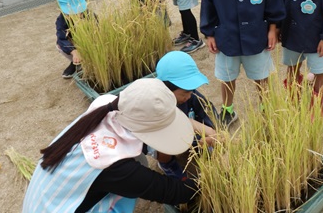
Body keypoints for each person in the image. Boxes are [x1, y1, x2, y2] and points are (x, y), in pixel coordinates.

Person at [22, 78, 198, 212]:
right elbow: (175, 192)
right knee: (134, 179)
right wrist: (213, 179)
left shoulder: (109, 108)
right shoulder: (112, 164)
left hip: (42, 200)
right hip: (55, 208)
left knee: (140, 162)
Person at [155, 50, 219, 178]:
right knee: (163, 146)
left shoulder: (192, 96)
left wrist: (210, 133)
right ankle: (167, 163)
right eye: (184, 93)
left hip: (190, 135)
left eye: (191, 91)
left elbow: (207, 111)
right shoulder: (156, 106)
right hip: (167, 138)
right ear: (166, 89)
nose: (189, 97)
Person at [55, 0, 89, 79]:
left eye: (79, 11)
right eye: (70, 13)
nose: (77, 15)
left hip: (90, 45)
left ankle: (89, 63)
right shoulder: (61, 20)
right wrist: (73, 51)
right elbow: (61, 38)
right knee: (59, 45)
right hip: (75, 46)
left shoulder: (90, 16)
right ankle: (76, 63)